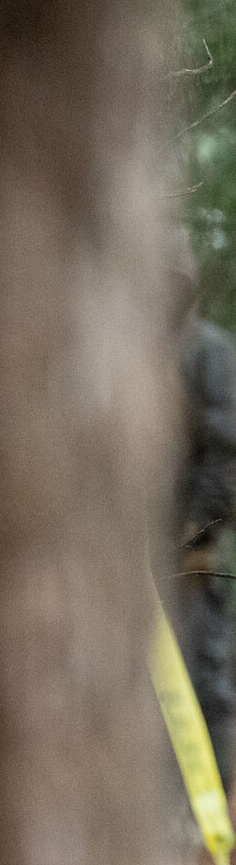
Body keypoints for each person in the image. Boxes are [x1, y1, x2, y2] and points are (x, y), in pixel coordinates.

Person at [175, 305, 236, 780]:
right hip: (138, 552)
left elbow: (225, 456)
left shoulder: (206, 350)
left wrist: (193, 533)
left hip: (190, 554)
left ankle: (206, 808)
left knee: (202, 677)